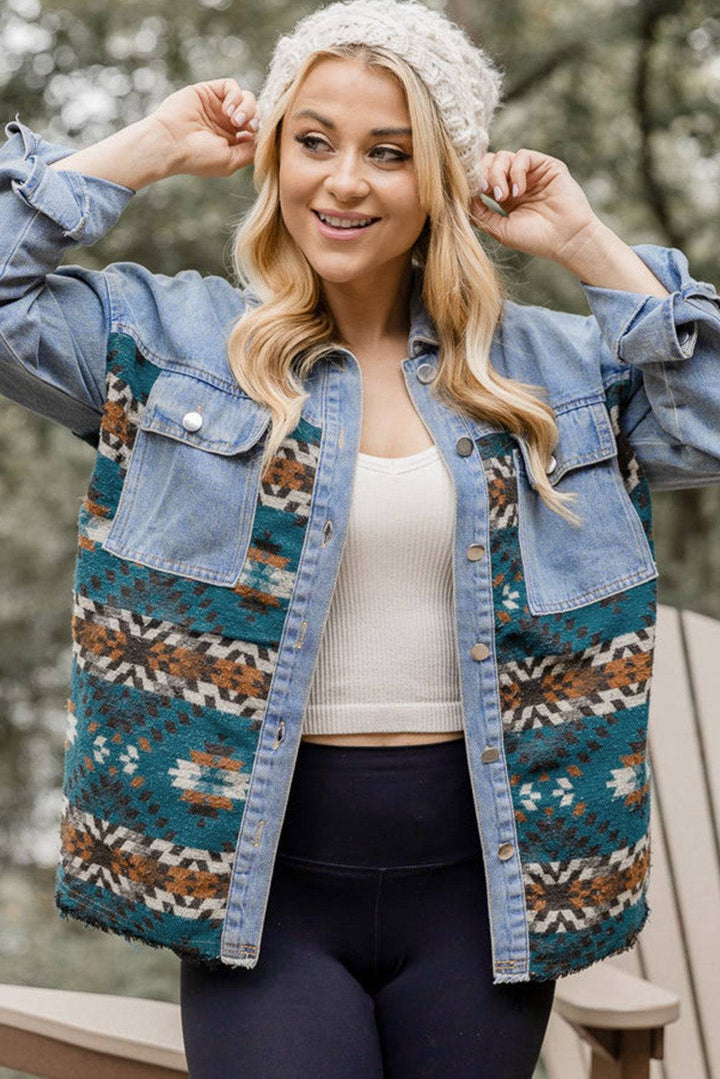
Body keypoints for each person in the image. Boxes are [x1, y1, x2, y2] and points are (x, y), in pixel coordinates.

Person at [1, 0, 719, 1075]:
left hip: (483, 897)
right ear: (277, 149)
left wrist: (582, 239)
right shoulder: (173, 341)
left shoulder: (556, 370)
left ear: (443, 173)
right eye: (314, 140)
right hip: (263, 888)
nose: (344, 181)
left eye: (391, 152)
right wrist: (145, 149)